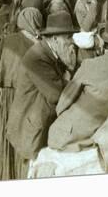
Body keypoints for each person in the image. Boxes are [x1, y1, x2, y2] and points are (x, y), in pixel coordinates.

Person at [47, 17, 108, 151]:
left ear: (103, 43)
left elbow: (63, 102)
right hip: (98, 140)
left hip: (64, 136)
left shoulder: (88, 65)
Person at [6, 11, 77, 178]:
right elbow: (57, 95)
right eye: (68, 38)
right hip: (30, 129)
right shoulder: (37, 57)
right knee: (32, 174)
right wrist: (70, 69)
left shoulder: (50, 52)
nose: (71, 42)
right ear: (54, 39)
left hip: (38, 123)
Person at [0, 7, 43, 181]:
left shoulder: (6, 41)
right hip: (22, 100)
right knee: (19, 140)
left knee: (1, 140)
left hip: (0, 98)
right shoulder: (38, 47)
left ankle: (0, 179)